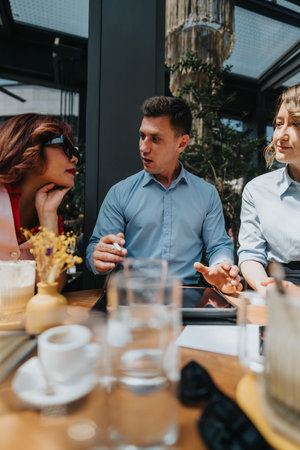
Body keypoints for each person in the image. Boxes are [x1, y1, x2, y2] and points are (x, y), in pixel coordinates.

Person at [86, 96, 241, 293]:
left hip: (187, 298)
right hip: (132, 299)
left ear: (182, 144)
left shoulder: (207, 195)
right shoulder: (120, 193)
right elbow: (96, 247)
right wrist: (97, 257)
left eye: (155, 139)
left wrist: (221, 266)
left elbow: (218, 245)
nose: (144, 147)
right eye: (142, 136)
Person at [0, 113, 79, 290]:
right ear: (29, 146)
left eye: (74, 152)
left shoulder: (49, 213)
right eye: (65, 147)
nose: (74, 159)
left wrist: (48, 214)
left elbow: (54, 286)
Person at [238, 84, 300, 295]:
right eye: (278, 123)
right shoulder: (257, 190)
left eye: (296, 124)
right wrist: (266, 289)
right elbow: (250, 253)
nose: (280, 135)